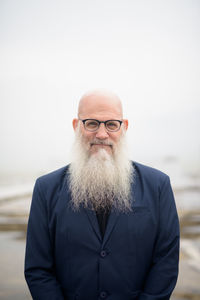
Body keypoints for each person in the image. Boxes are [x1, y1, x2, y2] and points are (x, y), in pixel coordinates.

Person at [24, 90, 180, 300]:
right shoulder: (46, 189)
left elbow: (166, 263)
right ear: (76, 126)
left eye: (111, 124)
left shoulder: (158, 186)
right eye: (91, 123)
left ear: (124, 127)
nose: (102, 134)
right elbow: (38, 269)